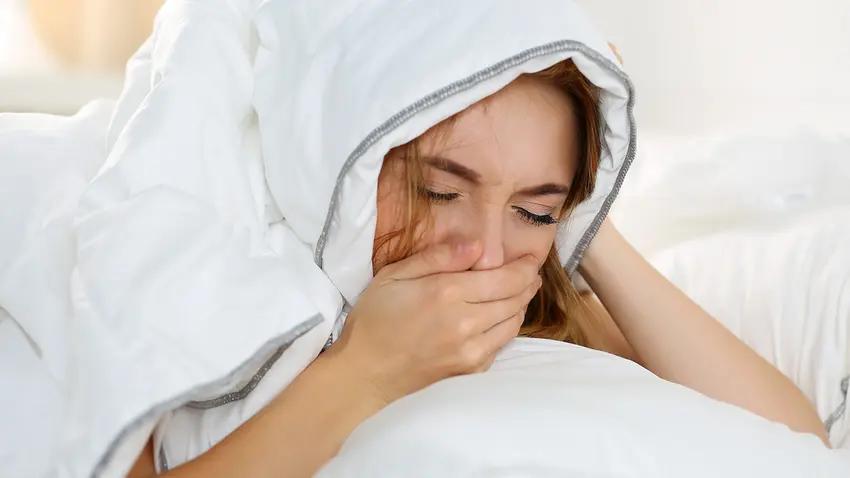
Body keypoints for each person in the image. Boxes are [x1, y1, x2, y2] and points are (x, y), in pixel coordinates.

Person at [128, 53, 829, 477]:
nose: (486, 256)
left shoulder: (538, 304)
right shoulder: (188, 287)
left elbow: (798, 450)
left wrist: (587, 222)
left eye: (533, 209)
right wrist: (367, 371)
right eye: (441, 192)